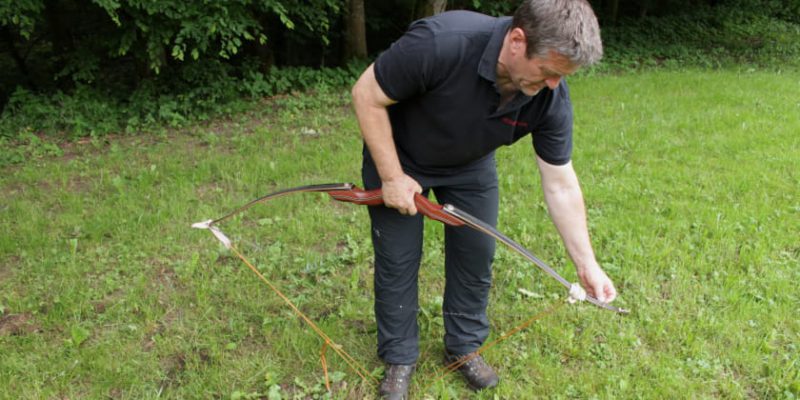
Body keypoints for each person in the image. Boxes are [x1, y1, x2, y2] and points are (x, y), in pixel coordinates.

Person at [350, 0, 618, 398]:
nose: (552, 85)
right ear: (516, 41)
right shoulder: (442, 43)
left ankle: (463, 348)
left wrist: (587, 265)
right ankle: (399, 358)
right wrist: (391, 178)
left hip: (470, 166)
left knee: (476, 255)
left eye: (561, 77)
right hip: (399, 156)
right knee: (398, 259)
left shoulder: (550, 97)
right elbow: (366, 94)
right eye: (547, 72)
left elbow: (560, 183)